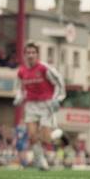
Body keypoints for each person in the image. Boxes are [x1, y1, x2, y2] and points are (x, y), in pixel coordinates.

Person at [14, 42, 67, 171]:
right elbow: (19, 88)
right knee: (32, 136)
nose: (30, 55)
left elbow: (59, 82)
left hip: (46, 105)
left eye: (33, 52)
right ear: (25, 55)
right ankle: (41, 162)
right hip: (31, 105)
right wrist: (19, 97)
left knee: (45, 138)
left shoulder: (44, 68)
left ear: (37, 54)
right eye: (28, 53)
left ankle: (58, 134)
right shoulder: (21, 71)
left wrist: (58, 99)